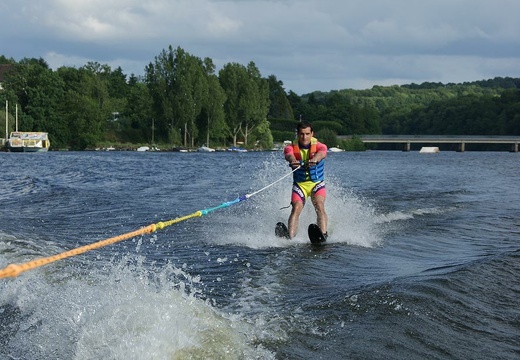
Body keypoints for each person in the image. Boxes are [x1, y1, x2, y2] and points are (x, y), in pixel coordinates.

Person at [283, 121, 328, 239]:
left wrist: (315, 159)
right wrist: (293, 160)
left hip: (316, 184)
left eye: (307, 134)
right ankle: (291, 237)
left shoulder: (320, 146)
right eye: (302, 134)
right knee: (296, 207)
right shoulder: (290, 147)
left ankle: (323, 234)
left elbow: (322, 153)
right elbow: (288, 155)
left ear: (312, 133)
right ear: (297, 134)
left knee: (319, 205)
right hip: (300, 185)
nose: (305, 137)